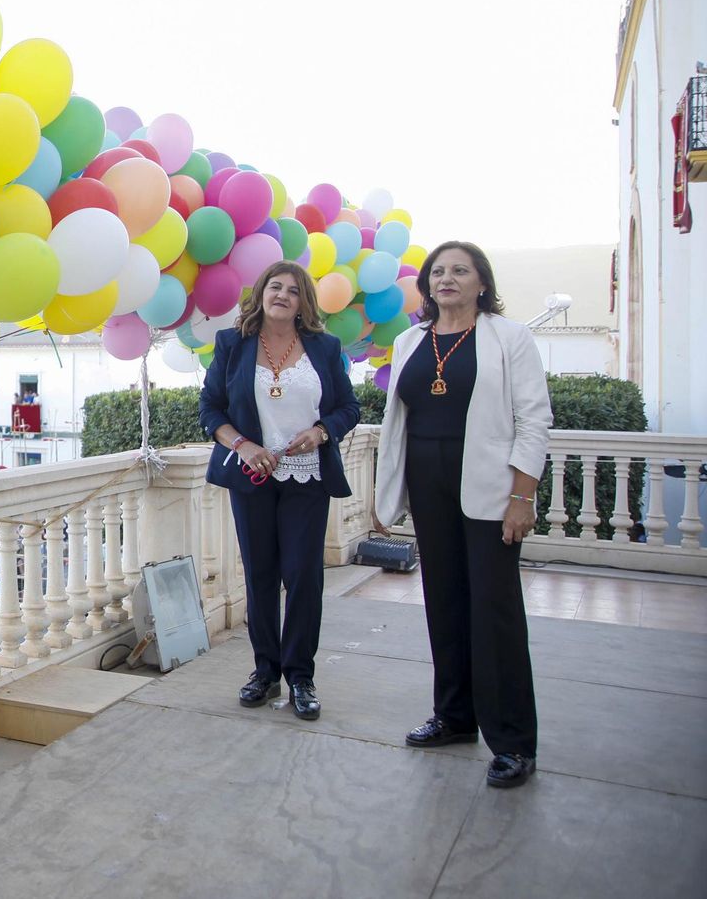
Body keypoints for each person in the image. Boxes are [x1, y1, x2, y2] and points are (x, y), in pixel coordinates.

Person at [373, 241, 550, 790]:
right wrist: (392, 492)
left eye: (460, 271)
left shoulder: (509, 338)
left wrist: (522, 496)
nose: (446, 279)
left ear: (481, 283)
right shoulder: (409, 341)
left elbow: (534, 420)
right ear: (427, 285)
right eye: (438, 271)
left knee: (494, 612)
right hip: (429, 486)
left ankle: (513, 741)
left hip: (492, 491)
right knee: (443, 603)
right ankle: (454, 717)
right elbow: (398, 421)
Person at [199, 260, 361, 720]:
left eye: (294, 290)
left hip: (306, 477)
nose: (283, 295)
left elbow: (348, 406)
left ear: (303, 302)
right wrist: (244, 445)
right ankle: (265, 672)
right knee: (261, 576)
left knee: (304, 577)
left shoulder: (325, 348)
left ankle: (301, 677)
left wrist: (322, 431)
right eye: (276, 286)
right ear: (262, 293)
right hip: (252, 478)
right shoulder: (232, 344)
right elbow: (210, 409)